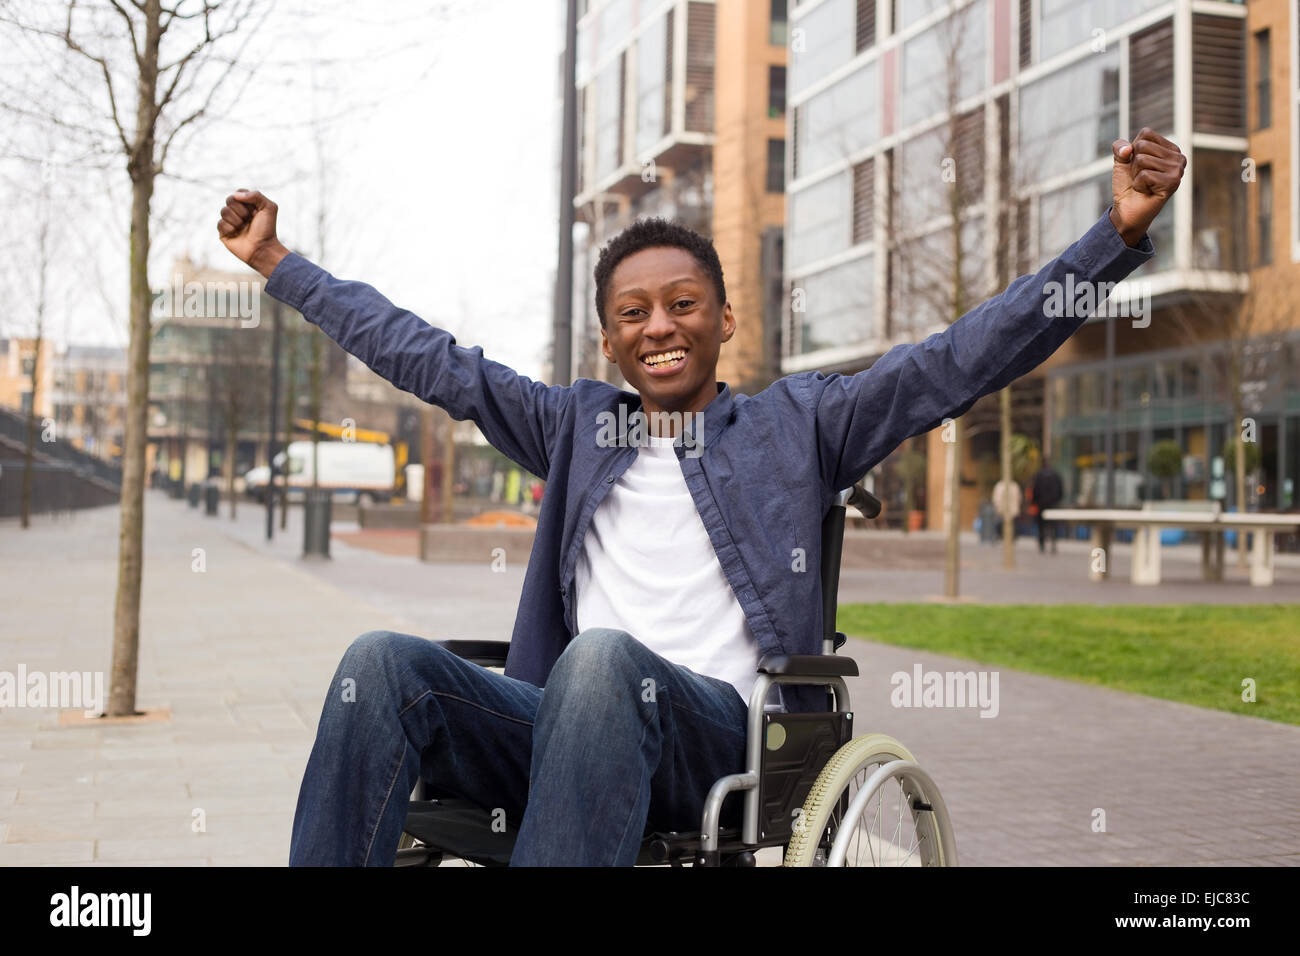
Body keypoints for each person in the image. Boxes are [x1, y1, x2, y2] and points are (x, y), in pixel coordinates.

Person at [217, 129, 1184, 866]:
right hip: (564, 732)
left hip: (725, 743)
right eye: (632, 314)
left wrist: (1114, 237)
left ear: (726, 318)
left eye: (683, 304)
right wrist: (277, 263)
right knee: (381, 660)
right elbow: (425, 355)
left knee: (601, 663)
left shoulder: (801, 424)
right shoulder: (575, 424)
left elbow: (960, 361)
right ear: (608, 342)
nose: (660, 327)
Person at [1030, 461, 1065, 553]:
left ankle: (1042, 544)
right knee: (1053, 525)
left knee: (1041, 524)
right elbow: (1061, 489)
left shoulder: (1038, 475)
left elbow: (1035, 489)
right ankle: (1053, 543)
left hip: (1041, 503)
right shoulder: (1056, 475)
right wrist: (1058, 500)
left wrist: (1033, 501)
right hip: (1053, 503)